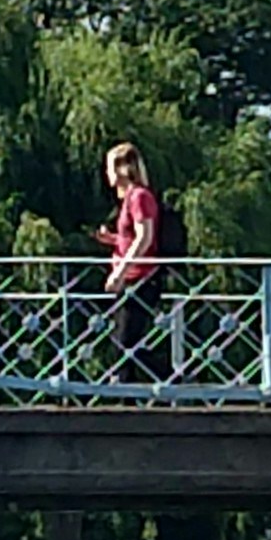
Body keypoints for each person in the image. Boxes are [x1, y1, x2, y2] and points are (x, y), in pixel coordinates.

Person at [101, 140, 170, 382]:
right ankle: (127, 397)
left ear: (122, 168)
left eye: (109, 167)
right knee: (123, 342)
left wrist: (120, 271)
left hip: (141, 278)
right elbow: (133, 237)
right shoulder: (130, 198)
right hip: (133, 277)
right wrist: (113, 240)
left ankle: (172, 377)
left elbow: (144, 237)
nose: (107, 174)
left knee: (126, 343)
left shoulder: (139, 197)